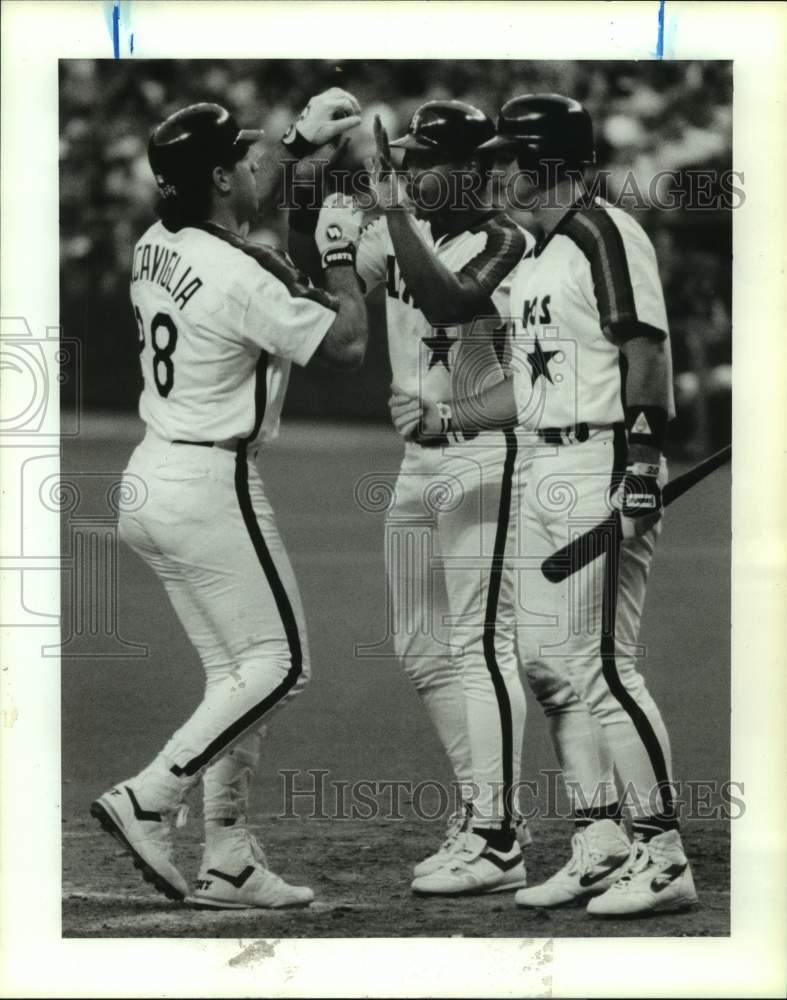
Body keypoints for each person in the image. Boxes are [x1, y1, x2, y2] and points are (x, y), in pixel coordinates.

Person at [391, 94, 698, 917]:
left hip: (598, 457)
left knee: (601, 668)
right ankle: (600, 842)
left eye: (502, 159)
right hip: (541, 462)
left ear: (541, 164)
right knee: (548, 666)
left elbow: (646, 349)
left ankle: (662, 853)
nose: (490, 172)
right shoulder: (537, 251)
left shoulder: (604, 231)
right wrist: (449, 415)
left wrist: (640, 459)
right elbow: (496, 359)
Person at [91, 91, 368, 910]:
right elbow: (348, 345)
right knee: (280, 665)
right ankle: (150, 793)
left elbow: (238, 216)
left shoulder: (155, 238)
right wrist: (342, 253)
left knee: (233, 674)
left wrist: (297, 147)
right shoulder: (241, 269)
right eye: (243, 153)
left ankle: (229, 857)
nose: (258, 161)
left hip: (150, 474)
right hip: (210, 483)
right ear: (215, 174)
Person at [291, 99, 535, 897]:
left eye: (426, 160)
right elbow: (343, 319)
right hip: (415, 462)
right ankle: (480, 813)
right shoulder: (394, 228)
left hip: (483, 455)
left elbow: (459, 315)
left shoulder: (509, 243)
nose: (410, 171)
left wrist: (385, 209)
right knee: (421, 648)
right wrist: (329, 235)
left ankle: (498, 836)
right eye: (408, 157)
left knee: (479, 645)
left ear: (470, 168)